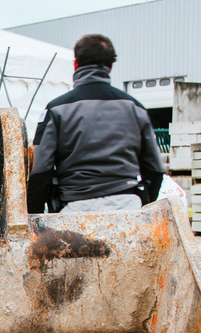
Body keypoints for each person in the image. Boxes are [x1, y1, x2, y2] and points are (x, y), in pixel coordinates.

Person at [28, 34, 165, 214]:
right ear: (110, 66)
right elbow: (155, 169)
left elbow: (40, 170)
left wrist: (35, 220)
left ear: (75, 64)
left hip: (74, 209)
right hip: (127, 207)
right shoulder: (135, 108)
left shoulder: (56, 110)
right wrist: (145, 202)